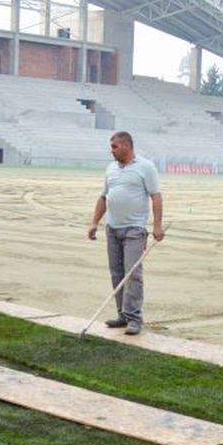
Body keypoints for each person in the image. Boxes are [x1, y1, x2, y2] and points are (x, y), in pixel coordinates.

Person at [87, 131, 164, 336]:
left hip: (135, 230)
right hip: (112, 229)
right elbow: (104, 197)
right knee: (117, 273)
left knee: (133, 274)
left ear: (126, 146)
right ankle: (122, 314)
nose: (111, 150)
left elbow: (156, 196)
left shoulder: (146, 167)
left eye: (114, 146)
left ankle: (134, 318)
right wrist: (94, 222)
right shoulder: (110, 168)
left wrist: (157, 226)